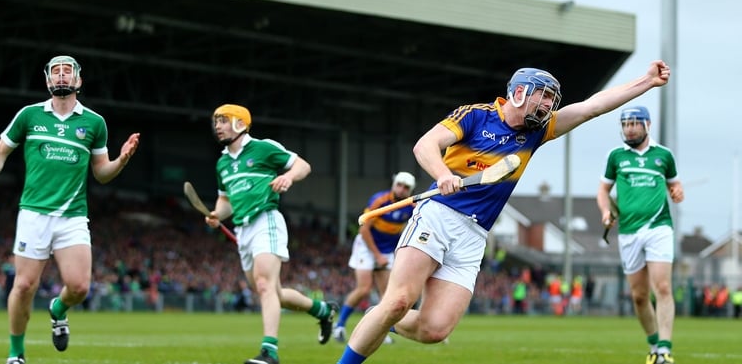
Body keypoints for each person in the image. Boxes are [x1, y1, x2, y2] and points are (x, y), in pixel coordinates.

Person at [334, 60, 672, 364]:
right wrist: (443, 175)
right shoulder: (474, 115)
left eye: (552, 99)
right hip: (438, 214)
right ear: (519, 91)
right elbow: (425, 145)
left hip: (474, 236)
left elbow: (591, 108)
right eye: (542, 96)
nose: (548, 105)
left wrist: (645, 81)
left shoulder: (536, 132)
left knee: (434, 329)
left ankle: (375, 316)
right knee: (399, 301)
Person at [0, 55, 141, 364]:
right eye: (56, 71)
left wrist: (123, 159)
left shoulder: (94, 122)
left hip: (73, 215)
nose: (62, 76)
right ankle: (16, 354)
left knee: (78, 287)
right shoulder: (29, 115)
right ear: (48, 79)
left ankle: (57, 309)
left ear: (78, 79)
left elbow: (102, 173)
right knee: (23, 285)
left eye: (68, 71)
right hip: (34, 213)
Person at [204, 104, 338, 364]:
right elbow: (226, 203)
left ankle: (270, 352)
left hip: (265, 220)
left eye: (223, 120)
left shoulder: (263, 148)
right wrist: (216, 215)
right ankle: (322, 310)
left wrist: (288, 177)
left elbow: (303, 166)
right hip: (242, 230)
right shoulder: (222, 163)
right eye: (216, 121)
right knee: (272, 293)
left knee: (265, 285)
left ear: (240, 123)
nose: (217, 126)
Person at [597, 105, 684, 364]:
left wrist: (678, 191)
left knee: (664, 288)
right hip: (629, 232)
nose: (629, 128)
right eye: (625, 124)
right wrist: (605, 211)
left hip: (659, 227)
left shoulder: (664, 156)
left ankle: (665, 350)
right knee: (639, 295)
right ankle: (654, 344)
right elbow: (603, 191)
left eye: (634, 123)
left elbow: (674, 184)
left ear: (647, 125)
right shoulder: (616, 157)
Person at [333, 171, 417, 344]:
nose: (401, 189)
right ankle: (339, 326)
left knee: (387, 295)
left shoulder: (411, 206)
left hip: (386, 250)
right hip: (366, 245)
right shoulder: (379, 200)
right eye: (399, 185)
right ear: (394, 184)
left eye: (406, 187)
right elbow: (364, 229)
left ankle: (381, 331)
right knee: (363, 289)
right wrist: (377, 256)